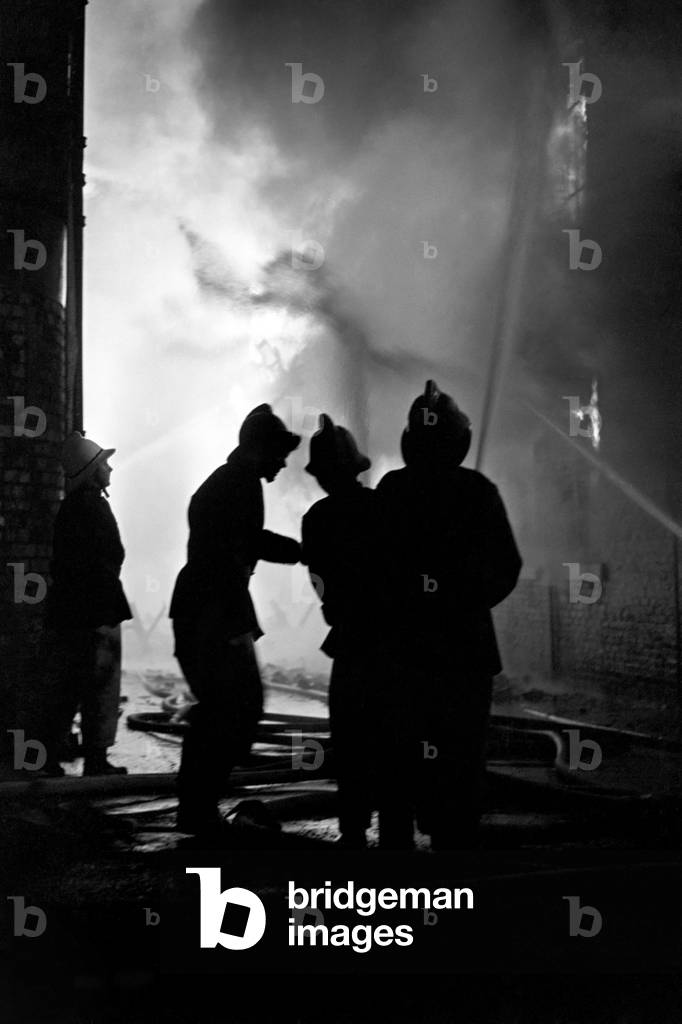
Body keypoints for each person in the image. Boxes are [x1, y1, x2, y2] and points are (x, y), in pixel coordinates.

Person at [374, 380, 522, 850]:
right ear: (459, 441)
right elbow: (507, 567)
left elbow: (372, 566)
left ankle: (396, 844)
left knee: (401, 748)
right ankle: (454, 846)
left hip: (403, 650)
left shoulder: (392, 490)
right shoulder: (478, 491)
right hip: (465, 651)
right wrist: (466, 604)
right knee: (459, 753)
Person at [170, 404, 301, 834]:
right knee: (235, 709)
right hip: (215, 614)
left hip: (208, 611)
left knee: (225, 710)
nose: (283, 462)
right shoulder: (240, 483)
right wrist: (305, 551)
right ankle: (197, 809)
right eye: (278, 452)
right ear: (258, 448)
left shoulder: (230, 481)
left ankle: (197, 806)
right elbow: (247, 542)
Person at [301, 414, 377, 849]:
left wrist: (336, 610)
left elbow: (319, 578)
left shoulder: (316, 520)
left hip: (350, 643)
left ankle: (352, 829)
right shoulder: (382, 509)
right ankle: (397, 829)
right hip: (390, 645)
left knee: (349, 741)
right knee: (391, 740)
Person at [45, 431, 132, 776]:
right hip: (98, 611)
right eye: (104, 463)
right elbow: (112, 555)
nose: (109, 468)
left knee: (66, 686)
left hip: (72, 612)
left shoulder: (70, 508)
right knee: (100, 686)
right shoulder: (94, 507)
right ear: (91, 470)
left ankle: (50, 758)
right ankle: (96, 759)